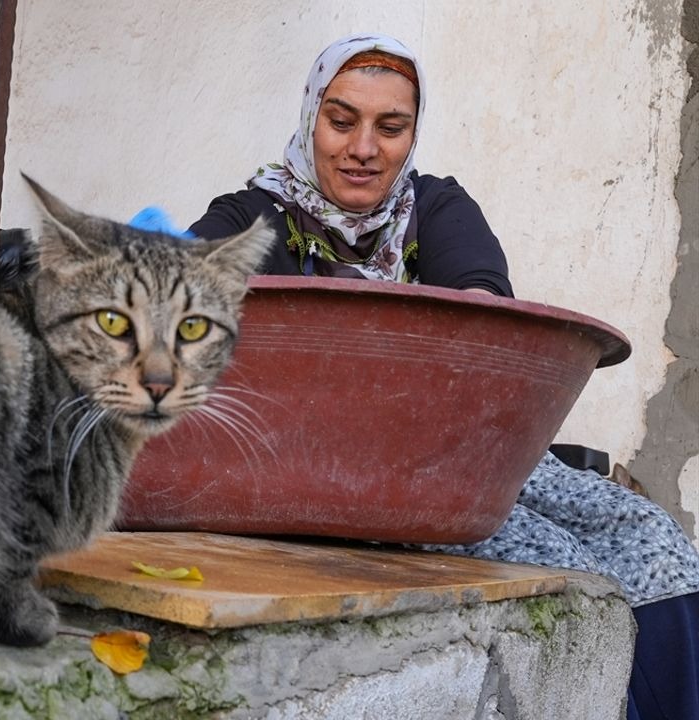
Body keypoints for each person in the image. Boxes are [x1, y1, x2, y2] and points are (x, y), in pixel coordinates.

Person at [178, 32, 699, 720]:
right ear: (311, 119)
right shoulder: (249, 218)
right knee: (569, 565)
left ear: (413, 133)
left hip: (457, 460)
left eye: (391, 127)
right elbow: (177, 298)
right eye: (342, 121)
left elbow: (482, 308)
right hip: (320, 476)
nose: (364, 147)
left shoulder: (434, 207)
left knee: (650, 536)